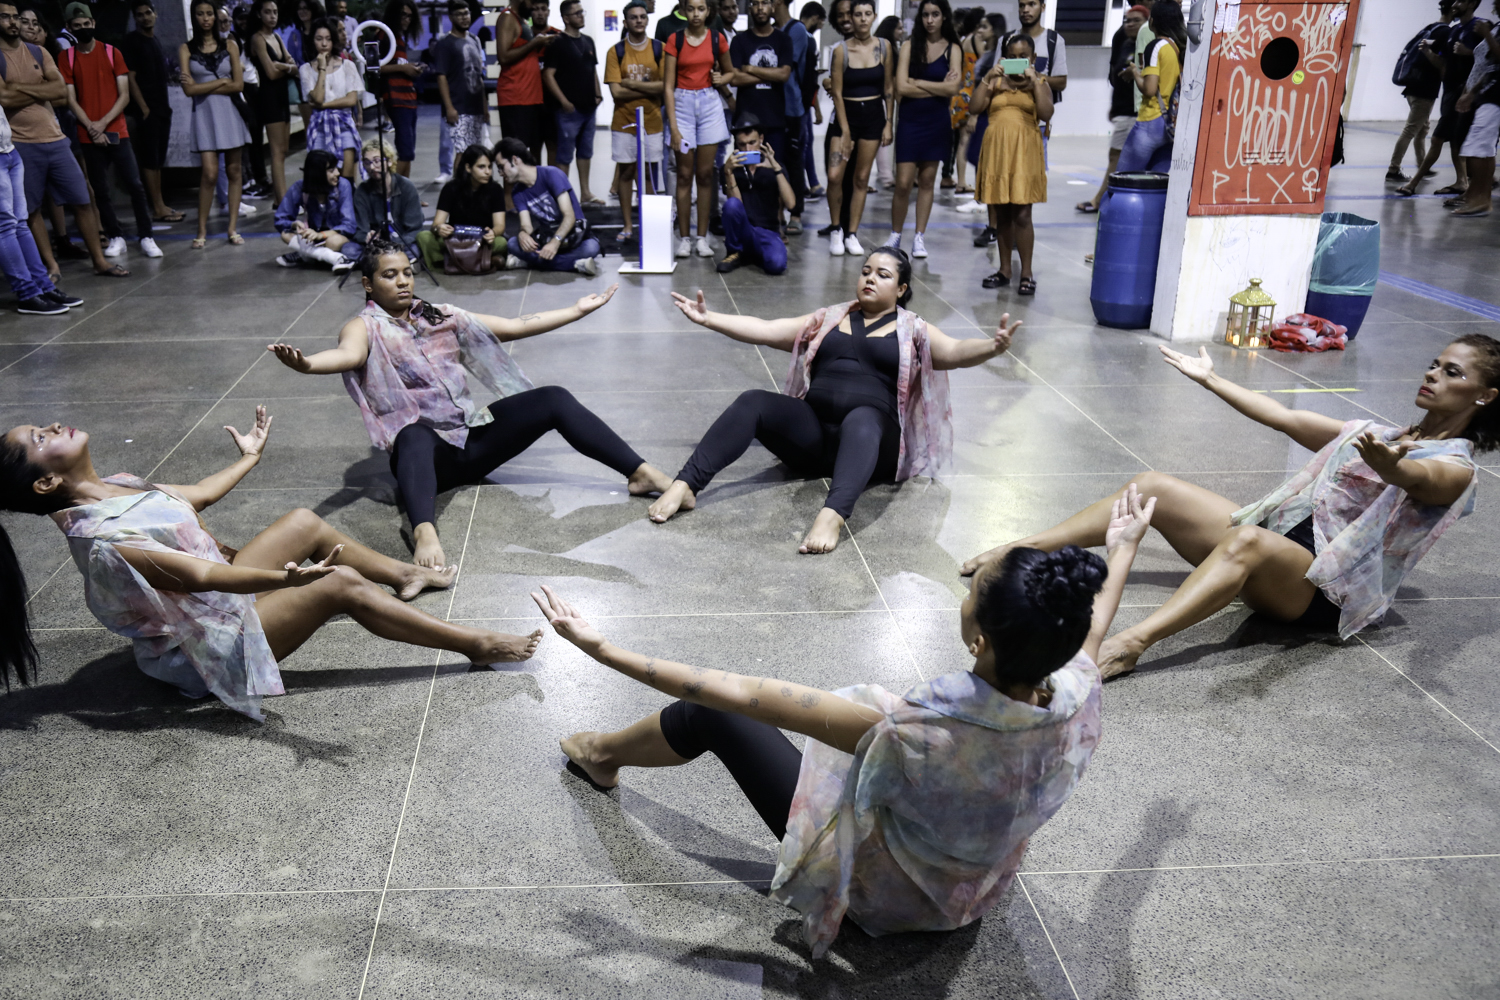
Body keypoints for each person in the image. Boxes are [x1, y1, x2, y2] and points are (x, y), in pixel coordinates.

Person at [536, 491, 1150, 955]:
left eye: (972, 592)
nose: (962, 596)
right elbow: (1093, 634)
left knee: (710, 713)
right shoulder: (1076, 688)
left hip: (885, 897)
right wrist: (1122, 549)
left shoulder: (920, 730)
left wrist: (604, 651)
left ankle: (600, 754)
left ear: (979, 639)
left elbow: (742, 693)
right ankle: (603, 753)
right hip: (973, 893)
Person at [962, 335, 1500, 679]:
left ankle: (1130, 643)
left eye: (1452, 372)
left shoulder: (1456, 466)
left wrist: (1390, 465)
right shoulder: (1377, 433)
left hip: (1324, 591)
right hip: (1282, 545)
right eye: (1434, 364)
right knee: (1156, 485)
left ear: (1485, 396)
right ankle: (1022, 548)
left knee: (1247, 540)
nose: (1432, 374)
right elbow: (1283, 418)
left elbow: (1421, 479)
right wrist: (1210, 378)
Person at [0, 408, 545, 722]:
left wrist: (249, 457)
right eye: (40, 440)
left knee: (303, 522)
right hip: (203, 648)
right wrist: (286, 579)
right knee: (340, 584)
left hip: (215, 604)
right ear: (46, 482)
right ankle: (473, 644)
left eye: (42, 426)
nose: (52, 427)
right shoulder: (105, 539)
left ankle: (403, 574)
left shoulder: (114, 486)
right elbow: (206, 576)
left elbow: (196, 496)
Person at [267, 240, 674, 569]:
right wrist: (306, 364)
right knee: (411, 434)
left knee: (553, 398)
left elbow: (516, 325)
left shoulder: (440, 315)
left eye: (407, 272)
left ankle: (640, 473)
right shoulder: (363, 327)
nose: (404, 281)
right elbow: (349, 356)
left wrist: (576, 310)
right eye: (390, 275)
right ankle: (424, 527)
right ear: (368, 284)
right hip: (431, 459)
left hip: (472, 439)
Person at [650, 248, 1021, 553]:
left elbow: (955, 351)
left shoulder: (914, 330)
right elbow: (765, 330)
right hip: (814, 439)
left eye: (883, 275)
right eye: (865, 271)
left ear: (902, 288)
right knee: (753, 401)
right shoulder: (827, 319)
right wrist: (708, 318)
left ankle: (832, 515)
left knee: (863, 418)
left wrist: (992, 347)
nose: (870, 278)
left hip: (872, 443)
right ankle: (685, 486)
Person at [0, 3, 123, 279]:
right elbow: (4, 99)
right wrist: (39, 91)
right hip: (21, 143)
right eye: (5, 17)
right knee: (31, 211)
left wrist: (17, 88)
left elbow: (60, 91)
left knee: (81, 199)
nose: (13, 22)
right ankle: (50, 266)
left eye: (15, 17)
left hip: (55, 139)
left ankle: (99, 261)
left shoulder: (38, 51)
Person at [59, 2, 160, 260]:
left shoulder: (112, 52)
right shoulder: (67, 57)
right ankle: (116, 236)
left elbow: (124, 95)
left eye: (87, 24)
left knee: (134, 185)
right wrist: (92, 127)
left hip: (116, 129)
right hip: (88, 133)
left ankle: (146, 235)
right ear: (70, 28)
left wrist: (102, 123)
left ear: (94, 24)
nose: (83, 28)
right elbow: (70, 99)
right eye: (77, 26)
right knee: (100, 189)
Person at [973, 33, 1049, 296]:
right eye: (1012, 57)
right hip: (997, 150)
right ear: (1004, 58)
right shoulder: (995, 82)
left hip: (1024, 150)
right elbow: (974, 107)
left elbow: (1047, 112)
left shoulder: (1039, 82)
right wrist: (988, 78)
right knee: (1002, 214)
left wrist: (1034, 81)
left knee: (1023, 214)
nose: (1017, 62)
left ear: (1033, 58)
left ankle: (1026, 273)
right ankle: (1005, 270)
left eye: (1023, 57)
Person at [885, 0, 958, 258]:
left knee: (928, 181)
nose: (930, 20)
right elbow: (901, 88)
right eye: (926, 15)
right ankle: (895, 235)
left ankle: (919, 237)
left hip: (936, 122)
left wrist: (918, 82)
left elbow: (953, 89)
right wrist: (935, 86)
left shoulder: (953, 49)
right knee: (903, 183)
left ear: (943, 18)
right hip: (910, 120)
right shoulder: (908, 46)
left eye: (935, 14)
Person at [179, 0, 250, 249]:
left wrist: (204, 86)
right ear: (194, 16)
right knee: (209, 173)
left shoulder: (230, 45)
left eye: (209, 13)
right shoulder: (186, 49)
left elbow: (239, 85)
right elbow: (189, 90)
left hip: (229, 113)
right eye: (200, 14)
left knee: (233, 171)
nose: (206, 18)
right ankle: (201, 229)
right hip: (204, 115)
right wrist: (220, 82)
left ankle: (231, 228)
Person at [663, 0, 732, 259]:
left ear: (708, 11)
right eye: (691, 9)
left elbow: (730, 72)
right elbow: (668, 86)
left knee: (705, 174)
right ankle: (684, 238)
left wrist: (721, 79)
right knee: (683, 174)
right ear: (683, 9)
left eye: (700, 9)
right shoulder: (675, 39)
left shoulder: (717, 38)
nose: (695, 14)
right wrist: (674, 127)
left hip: (709, 105)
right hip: (681, 104)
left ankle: (701, 238)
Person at [824, 0, 891, 258]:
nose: (863, 19)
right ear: (851, 17)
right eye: (858, 14)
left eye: (867, 14)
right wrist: (846, 131)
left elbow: (888, 89)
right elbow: (837, 93)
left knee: (862, 178)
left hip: (873, 117)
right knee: (834, 176)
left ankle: (852, 232)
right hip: (845, 118)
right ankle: (836, 229)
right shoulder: (841, 50)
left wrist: (888, 122)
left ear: (874, 16)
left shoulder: (883, 47)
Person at [0, 103, 80, 313]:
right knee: (5, 226)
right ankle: (27, 294)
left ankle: (43, 287)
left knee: (20, 224)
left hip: (9, 149)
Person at [1400, 0, 1484, 198]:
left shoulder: (1480, 27)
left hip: (1464, 94)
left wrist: (1469, 53)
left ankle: (1414, 183)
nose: (1455, 4)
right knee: (1455, 142)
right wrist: (1428, 53)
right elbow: (1443, 65)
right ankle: (1463, 181)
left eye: (1460, 0)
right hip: (1450, 93)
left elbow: (1489, 60)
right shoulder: (1453, 31)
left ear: (1472, 3)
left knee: (1437, 138)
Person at [493, 134, 602, 273]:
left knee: (592, 248)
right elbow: (527, 226)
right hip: (546, 239)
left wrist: (555, 242)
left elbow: (569, 216)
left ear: (515, 160)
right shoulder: (517, 192)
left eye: (501, 167)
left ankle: (529, 263)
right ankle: (575, 264)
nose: (501, 173)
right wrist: (522, 234)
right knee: (513, 243)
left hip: (572, 238)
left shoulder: (551, 174)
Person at [603, 0, 664, 247]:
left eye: (642, 16)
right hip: (624, 122)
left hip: (652, 122)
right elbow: (616, 93)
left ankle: (648, 225)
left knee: (648, 176)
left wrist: (631, 84)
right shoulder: (615, 51)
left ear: (647, 19)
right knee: (626, 173)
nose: (639, 20)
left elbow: (663, 87)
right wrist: (647, 88)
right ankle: (628, 225)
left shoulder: (660, 48)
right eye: (634, 17)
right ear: (626, 22)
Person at [1077, 5, 1146, 213]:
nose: (1130, 24)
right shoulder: (1125, 43)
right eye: (1128, 20)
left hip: (1134, 113)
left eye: (1136, 20)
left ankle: (1100, 200)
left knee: (1117, 158)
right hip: (1122, 110)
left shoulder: (1147, 47)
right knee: (1117, 157)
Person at [121, 1, 181, 224]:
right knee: (149, 160)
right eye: (140, 14)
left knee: (158, 160)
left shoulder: (154, 40)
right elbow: (130, 77)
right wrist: (144, 108)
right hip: (147, 111)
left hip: (162, 108)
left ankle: (161, 204)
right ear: (135, 18)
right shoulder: (132, 41)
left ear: (155, 15)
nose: (145, 17)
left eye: (148, 13)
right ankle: (157, 207)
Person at [716, 112, 794, 274]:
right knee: (730, 204)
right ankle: (735, 251)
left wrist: (776, 168)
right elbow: (735, 206)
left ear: (761, 139)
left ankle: (749, 253)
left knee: (777, 265)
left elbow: (791, 203)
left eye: (752, 143)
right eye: (742, 145)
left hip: (768, 231)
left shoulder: (775, 167)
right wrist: (729, 173)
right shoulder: (731, 168)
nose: (748, 149)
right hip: (744, 228)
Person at [542, 0, 601, 205]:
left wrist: (598, 94)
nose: (581, 16)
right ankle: (563, 197)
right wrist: (563, 101)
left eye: (581, 12)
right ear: (566, 18)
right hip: (568, 111)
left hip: (588, 107)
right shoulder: (557, 43)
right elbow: (548, 75)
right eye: (576, 13)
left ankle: (585, 193)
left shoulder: (588, 41)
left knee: (585, 153)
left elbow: (592, 70)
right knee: (564, 156)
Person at [769, 0, 820, 235]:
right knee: (773, 160)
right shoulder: (772, 29)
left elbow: (787, 70)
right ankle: (777, 212)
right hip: (772, 108)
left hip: (792, 108)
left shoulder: (796, 30)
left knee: (794, 161)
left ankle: (796, 213)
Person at [724, 0, 792, 177]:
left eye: (764, 3)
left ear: (772, 6)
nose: (760, 8)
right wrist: (771, 73)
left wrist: (750, 68)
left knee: (775, 173)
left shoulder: (783, 40)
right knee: (748, 174)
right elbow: (735, 78)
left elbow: (784, 75)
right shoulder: (740, 41)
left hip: (774, 121)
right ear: (749, 8)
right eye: (755, 3)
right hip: (746, 124)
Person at [1389, 1, 1454, 182]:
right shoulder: (1445, 32)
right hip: (1424, 88)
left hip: (1413, 85)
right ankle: (1393, 170)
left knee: (1422, 128)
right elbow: (1440, 62)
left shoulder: (1431, 27)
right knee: (1411, 130)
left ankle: (1422, 165)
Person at [1115, 0, 1182, 174]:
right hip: (1170, 124)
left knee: (1122, 180)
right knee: (1156, 182)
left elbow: (1150, 88)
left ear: (1153, 21)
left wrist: (1135, 73)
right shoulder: (1176, 47)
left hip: (1150, 121)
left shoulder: (1155, 46)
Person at [418, 142, 506, 269]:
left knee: (501, 242)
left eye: (489, 167)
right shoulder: (451, 188)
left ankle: (450, 263)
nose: (487, 172)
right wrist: (439, 229)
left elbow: (500, 226)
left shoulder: (495, 190)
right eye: (481, 167)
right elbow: (436, 224)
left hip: (481, 240)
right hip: (455, 240)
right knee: (424, 237)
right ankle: (482, 262)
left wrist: (493, 232)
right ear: (468, 168)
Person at [1450, 4, 1499, 216]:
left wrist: (1486, 34)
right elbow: (1490, 68)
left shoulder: (1491, 29)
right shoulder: (1498, 26)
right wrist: (1473, 92)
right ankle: (1477, 197)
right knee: (1481, 147)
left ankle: (1481, 201)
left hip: (1497, 96)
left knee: (1479, 145)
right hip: (1489, 91)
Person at [298, 15, 361, 178]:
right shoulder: (305, 69)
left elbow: (351, 99)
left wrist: (324, 106)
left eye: (328, 39)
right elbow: (317, 98)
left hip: (344, 123)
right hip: (319, 126)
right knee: (321, 178)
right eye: (319, 39)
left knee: (346, 178)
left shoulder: (348, 66)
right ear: (312, 40)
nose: (324, 44)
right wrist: (322, 68)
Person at [273, 147, 355, 269]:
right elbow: (280, 219)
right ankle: (331, 258)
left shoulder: (343, 185)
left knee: (333, 242)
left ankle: (306, 255)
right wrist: (295, 224)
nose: (337, 173)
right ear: (318, 174)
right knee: (286, 234)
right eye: (331, 170)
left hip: (335, 234)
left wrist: (321, 235)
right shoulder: (300, 187)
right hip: (312, 237)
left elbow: (349, 226)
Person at [496, 0, 555, 164]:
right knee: (512, 153)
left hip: (530, 97)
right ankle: (509, 191)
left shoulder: (521, 20)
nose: (532, 5)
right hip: (515, 97)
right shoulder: (507, 17)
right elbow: (503, 56)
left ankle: (530, 188)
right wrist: (535, 43)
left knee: (531, 150)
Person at [349, 136, 423, 263]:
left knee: (415, 249)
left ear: (389, 161)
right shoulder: (362, 191)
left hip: (402, 242)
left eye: (377, 161)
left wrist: (395, 245)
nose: (372, 167)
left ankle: (381, 262)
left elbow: (415, 228)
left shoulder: (406, 186)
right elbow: (360, 229)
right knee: (349, 249)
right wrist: (367, 237)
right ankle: (394, 262)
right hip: (376, 245)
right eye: (367, 162)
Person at [249, 0, 295, 200]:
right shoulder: (258, 39)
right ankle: (282, 200)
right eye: (267, 12)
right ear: (259, 14)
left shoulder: (276, 36)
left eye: (275, 12)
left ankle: (280, 197)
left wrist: (283, 67)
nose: (272, 16)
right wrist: (286, 68)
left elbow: (292, 65)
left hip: (282, 95)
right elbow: (270, 73)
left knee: (283, 149)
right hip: (269, 98)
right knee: (277, 152)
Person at [431, 0, 488, 162]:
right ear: (451, 17)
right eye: (459, 14)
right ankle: (459, 187)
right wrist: (449, 107)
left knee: (474, 152)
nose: (464, 18)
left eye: (466, 13)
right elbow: (441, 76)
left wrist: (484, 106)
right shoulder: (445, 44)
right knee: (463, 153)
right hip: (458, 106)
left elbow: (479, 76)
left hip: (475, 105)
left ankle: (470, 186)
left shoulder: (474, 40)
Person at [949, 7, 993, 195]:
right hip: (971, 95)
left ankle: (961, 181)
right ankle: (966, 182)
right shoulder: (976, 40)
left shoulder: (963, 40)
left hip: (960, 95)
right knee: (968, 141)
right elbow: (984, 64)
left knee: (962, 141)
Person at [378, 0, 423, 178]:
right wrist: (404, 68)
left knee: (408, 150)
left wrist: (410, 69)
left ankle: (405, 192)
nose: (406, 19)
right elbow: (374, 67)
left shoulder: (398, 37)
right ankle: (396, 191)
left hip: (407, 98)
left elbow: (395, 65)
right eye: (403, 15)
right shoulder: (384, 36)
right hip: (395, 99)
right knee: (405, 149)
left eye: (410, 16)